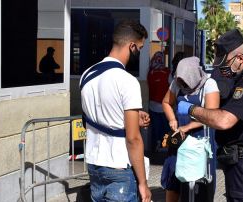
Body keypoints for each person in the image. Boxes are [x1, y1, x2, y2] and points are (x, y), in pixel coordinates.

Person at [177, 29, 243, 201]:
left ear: (240, 58)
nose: (222, 68)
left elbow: (224, 121)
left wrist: (191, 109)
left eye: (225, 63)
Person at [80, 20, 151, 202]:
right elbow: (133, 138)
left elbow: (90, 119)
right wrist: (143, 184)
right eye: (140, 48)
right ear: (132, 46)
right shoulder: (127, 81)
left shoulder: (86, 75)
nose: (139, 53)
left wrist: (133, 119)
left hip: (94, 163)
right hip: (119, 166)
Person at [161, 56, 220, 202]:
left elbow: (212, 114)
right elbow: (166, 102)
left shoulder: (209, 84)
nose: (182, 85)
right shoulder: (176, 83)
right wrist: (172, 119)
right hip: (180, 141)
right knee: (173, 180)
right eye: (179, 81)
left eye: (185, 82)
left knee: (200, 185)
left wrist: (188, 126)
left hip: (201, 142)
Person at [147, 51, 171, 151]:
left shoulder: (150, 72)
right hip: (165, 106)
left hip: (152, 105)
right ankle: (164, 145)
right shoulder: (167, 72)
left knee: (155, 127)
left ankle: (156, 144)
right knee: (165, 127)